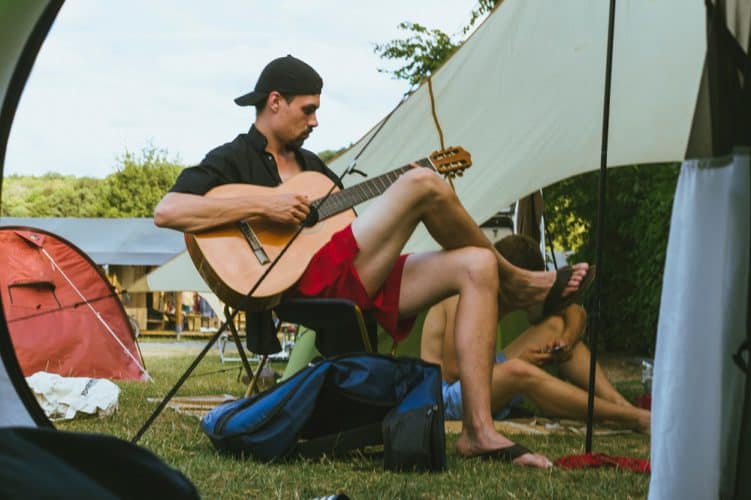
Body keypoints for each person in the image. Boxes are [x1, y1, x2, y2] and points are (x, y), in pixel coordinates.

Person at [154, 55, 593, 467]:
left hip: (351, 272)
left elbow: (345, 233)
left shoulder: (313, 169)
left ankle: (478, 430)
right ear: (274, 102)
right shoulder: (233, 159)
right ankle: (516, 279)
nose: (315, 121)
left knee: (475, 265)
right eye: (307, 110)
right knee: (422, 180)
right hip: (309, 284)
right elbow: (169, 211)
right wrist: (263, 206)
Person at [421, 234, 650, 433]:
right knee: (519, 370)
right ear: (514, 283)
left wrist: (566, 342)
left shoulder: (509, 295)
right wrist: (518, 362)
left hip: (483, 373)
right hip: (444, 397)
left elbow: (575, 313)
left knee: (554, 329)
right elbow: (452, 371)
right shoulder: (463, 295)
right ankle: (630, 418)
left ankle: (621, 404)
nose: (535, 292)